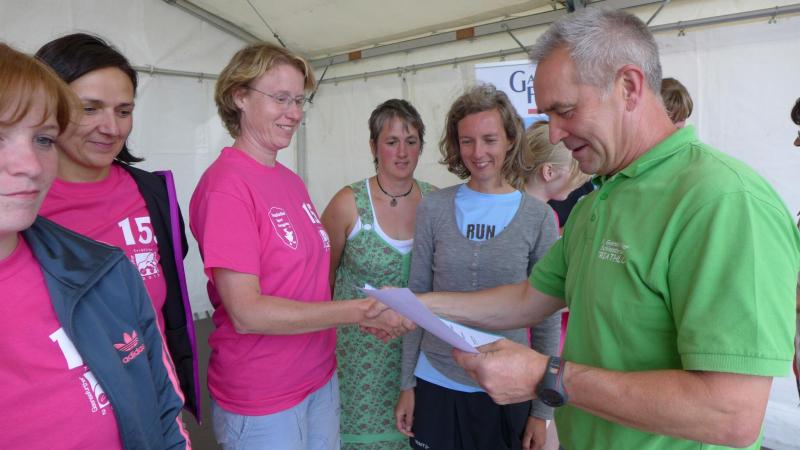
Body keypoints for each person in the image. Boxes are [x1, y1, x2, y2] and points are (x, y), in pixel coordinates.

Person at [385, 8, 799, 450]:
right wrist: (420, 305)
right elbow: (527, 299)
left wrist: (547, 376)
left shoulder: (724, 201)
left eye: (565, 111)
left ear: (629, 87)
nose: (555, 134)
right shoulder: (599, 200)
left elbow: (732, 414)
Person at [189, 42, 412, 449]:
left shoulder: (288, 180)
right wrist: (359, 311)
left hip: (318, 375)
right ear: (239, 97)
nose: (293, 113)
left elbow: (308, 282)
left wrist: (362, 314)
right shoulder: (226, 186)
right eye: (280, 98)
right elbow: (246, 312)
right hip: (265, 392)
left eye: (298, 100)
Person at [0, 42, 188, 449]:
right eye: (89, 108)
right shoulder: (26, 210)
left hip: (146, 383)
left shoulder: (152, 194)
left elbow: (167, 297)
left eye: (124, 110)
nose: (111, 127)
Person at [398, 84, 560, 450]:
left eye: (489, 139)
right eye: (467, 141)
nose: (478, 152)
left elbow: (546, 318)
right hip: (435, 380)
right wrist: (407, 384)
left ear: (510, 140)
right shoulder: (434, 208)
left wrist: (542, 410)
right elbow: (416, 298)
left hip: (508, 387)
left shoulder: (538, 218)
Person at [321, 99, 435, 450]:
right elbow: (322, 279)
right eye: (391, 142)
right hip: (359, 364)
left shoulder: (435, 202)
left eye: (411, 141)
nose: (402, 152)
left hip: (418, 361)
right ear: (374, 146)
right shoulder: (348, 203)